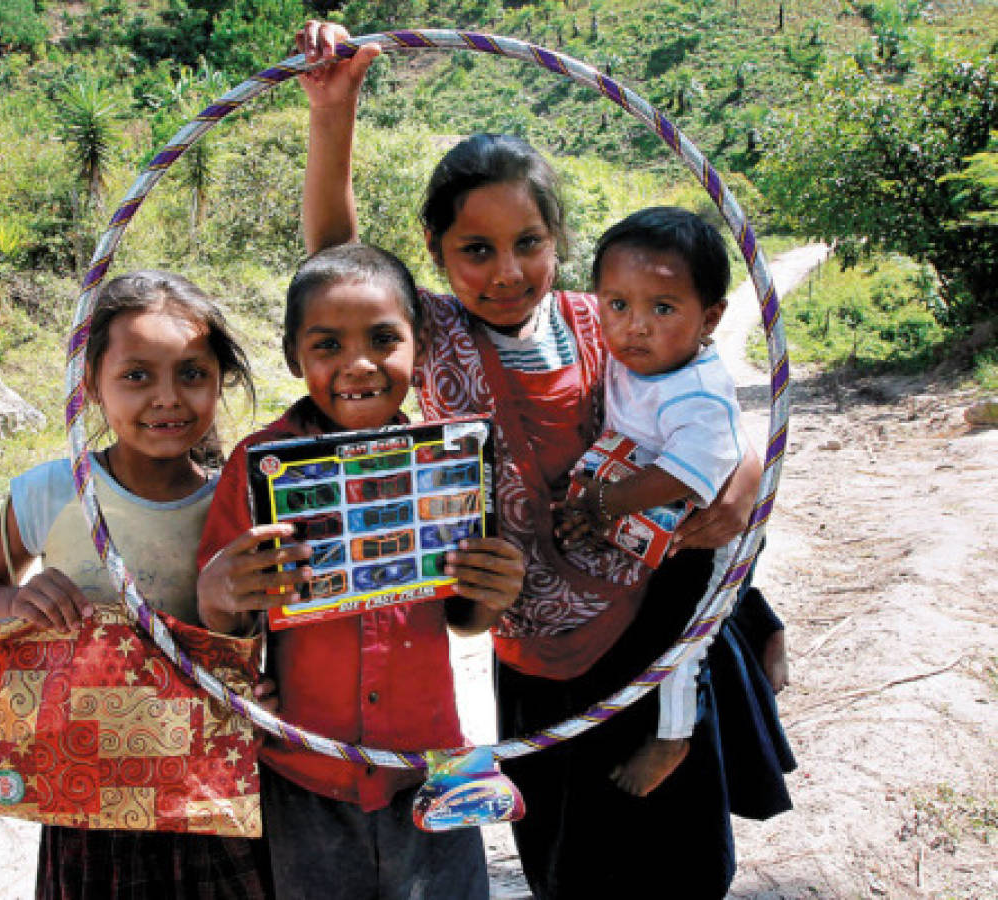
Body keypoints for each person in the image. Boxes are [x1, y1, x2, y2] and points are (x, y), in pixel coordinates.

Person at [295, 22, 774, 899]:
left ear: (559, 241)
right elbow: (337, 262)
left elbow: (711, 410)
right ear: (437, 256)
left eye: (528, 244)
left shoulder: (616, 321)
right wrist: (335, 110)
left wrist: (740, 481)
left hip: (650, 627)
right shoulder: (432, 334)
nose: (505, 271)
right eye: (474, 250)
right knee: (570, 864)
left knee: (681, 860)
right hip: (534, 658)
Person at [195, 242, 526, 900]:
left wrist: (492, 592)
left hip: (430, 767)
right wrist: (218, 594)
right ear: (295, 357)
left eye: (382, 338)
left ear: (418, 343)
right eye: (327, 346)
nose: (358, 365)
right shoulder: (259, 464)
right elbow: (226, 625)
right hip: (304, 772)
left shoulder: (449, 461)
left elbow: (461, 615)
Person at [0, 269, 273, 900]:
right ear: (91, 387)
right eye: (136, 376)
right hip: (84, 792)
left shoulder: (236, 505)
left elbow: (266, 633)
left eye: (192, 373)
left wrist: (266, 686)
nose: (168, 397)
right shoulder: (51, 492)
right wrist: (20, 600)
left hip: (205, 790)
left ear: (219, 382)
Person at [558, 206, 750, 798]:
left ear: (710, 318)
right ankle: (763, 625)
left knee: (680, 640)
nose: (634, 327)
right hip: (645, 514)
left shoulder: (696, 393)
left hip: (699, 530)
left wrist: (602, 503)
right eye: (617, 305)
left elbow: (684, 477)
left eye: (662, 309)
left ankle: (673, 736)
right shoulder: (635, 353)